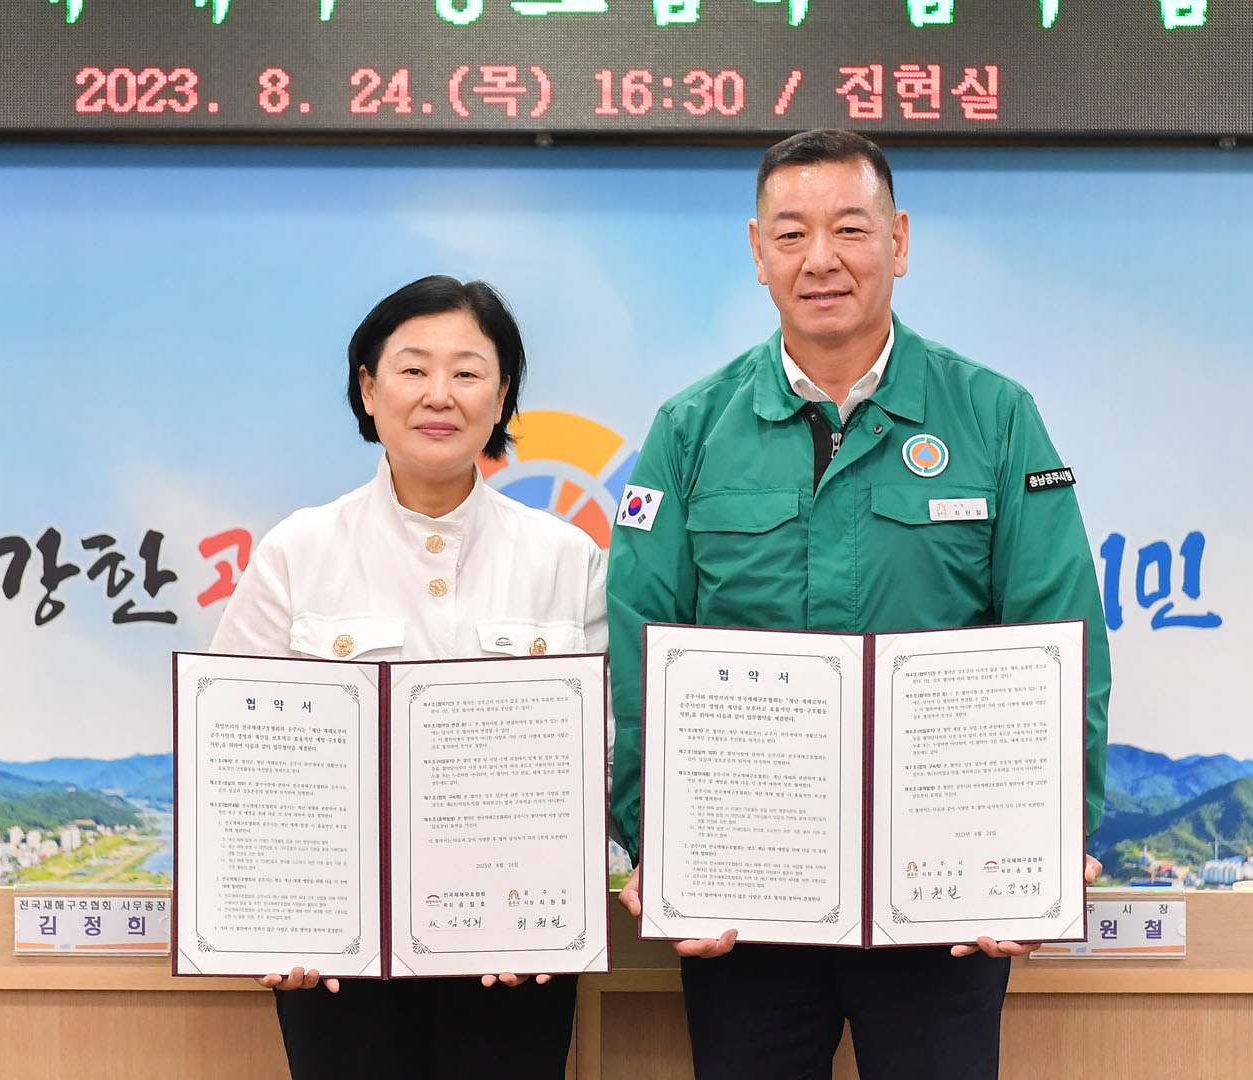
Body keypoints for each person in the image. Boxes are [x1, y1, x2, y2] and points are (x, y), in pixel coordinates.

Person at [606, 129, 1111, 1080]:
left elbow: (1061, 637)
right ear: (758, 252)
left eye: (850, 228)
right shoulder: (690, 429)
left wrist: (1051, 842)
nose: (821, 259)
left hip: (944, 895)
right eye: (791, 234)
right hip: (744, 896)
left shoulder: (994, 416)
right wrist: (654, 845)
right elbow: (639, 647)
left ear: (899, 241)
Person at [209, 274, 606, 1079]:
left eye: (467, 372)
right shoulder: (297, 551)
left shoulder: (566, 558)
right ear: (368, 387)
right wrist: (270, 918)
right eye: (413, 369)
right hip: (337, 955)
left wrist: (557, 902)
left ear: (502, 395)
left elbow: (605, 750)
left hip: (514, 950)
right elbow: (232, 752)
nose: (439, 395)